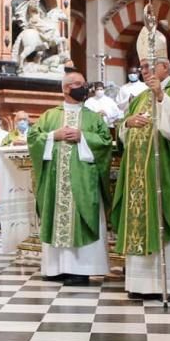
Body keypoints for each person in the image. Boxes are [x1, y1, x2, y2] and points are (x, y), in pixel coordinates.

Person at [112, 57, 170, 299]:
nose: (143, 71)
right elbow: (123, 130)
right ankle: (139, 284)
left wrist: (162, 98)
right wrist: (127, 124)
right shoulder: (141, 97)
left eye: (148, 66)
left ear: (165, 67)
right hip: (137, 176)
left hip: (165, 173)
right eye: (141, 66)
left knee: (166, 224)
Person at [27, 71, 112, 286]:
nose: (83, 87)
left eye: (84, 84)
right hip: (56, 182)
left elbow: (105, 142)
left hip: (83, 181)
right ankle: (56, 269)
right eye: (78, 84)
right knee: (57, 217)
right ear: (66, 88)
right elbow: (33, 137)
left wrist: (83, 137)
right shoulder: (49, 116)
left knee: (80, 218)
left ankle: (82, 270)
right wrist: (51, 136)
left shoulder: (93, 117)